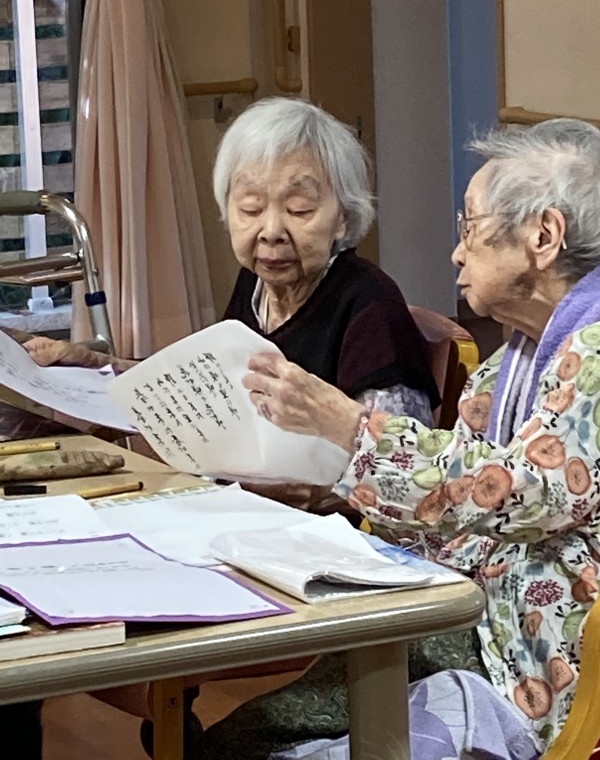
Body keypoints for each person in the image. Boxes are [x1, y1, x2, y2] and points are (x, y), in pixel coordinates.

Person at [22, 98, 440, 755]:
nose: (271, 232)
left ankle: (177, 727)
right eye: (250, 208)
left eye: (299, 209)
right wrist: (99, 365)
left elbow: (406, 470)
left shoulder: (370, 304)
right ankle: (160, 720)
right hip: (244, 517)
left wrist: (323, 493)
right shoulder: (256, 290)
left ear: (345, 216)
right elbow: (211, 389)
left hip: (324, 556)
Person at [236, 117, 600, 759]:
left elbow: (520, 493)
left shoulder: (593, 353)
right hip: (475, 617)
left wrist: (348, 427)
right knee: (250, 735)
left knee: (257, 741)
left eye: (470, 227)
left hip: (533, 658)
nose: (457, 253)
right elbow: (451, 506)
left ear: (544, 236)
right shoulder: (514, 358)